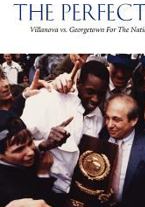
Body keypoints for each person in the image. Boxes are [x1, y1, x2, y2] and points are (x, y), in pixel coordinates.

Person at [21, 61, 109, 194]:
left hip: (72, 196)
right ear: (78, 82)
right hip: (39, 188)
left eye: (101, 94)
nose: (95, 99)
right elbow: (13, 148)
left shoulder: (99, 117)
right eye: (90, 91)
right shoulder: (47, 99)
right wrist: (44, 145)